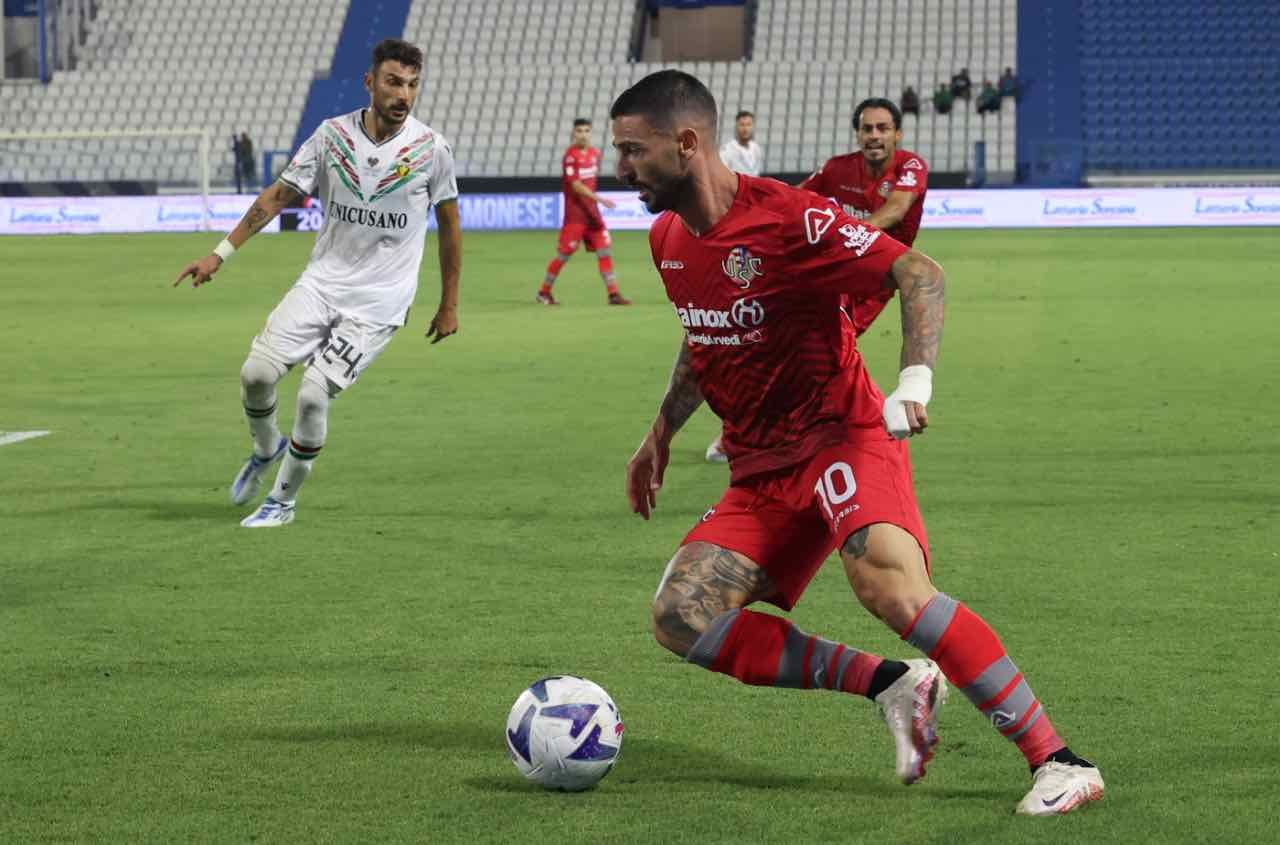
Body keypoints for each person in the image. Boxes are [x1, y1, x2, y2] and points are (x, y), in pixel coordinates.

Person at [612, 69, 1104, 816]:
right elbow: (701, 335)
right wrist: (659, 432)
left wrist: (914, 383)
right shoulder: (667, 239)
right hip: (761, 468)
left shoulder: (789, 219)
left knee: (889, 588)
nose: (620, 168)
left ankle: (1060, 761)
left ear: (685, 143)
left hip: (842, 438)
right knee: (682, 616)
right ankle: (892, 682)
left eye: (632, 150)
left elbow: (919, 271)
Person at [172, 38, 462, 528]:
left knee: (312, 394)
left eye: (413, 85)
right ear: (370, 82)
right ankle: (267, 447)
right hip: (322, 283)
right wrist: (219, 254)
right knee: (255, 375)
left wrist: (449, 303)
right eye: (393, 82)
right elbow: (279, 195)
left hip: (379, 301)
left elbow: (451, 227)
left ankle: (281, 502)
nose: (404, 95)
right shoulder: (332, 136)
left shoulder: (431, 149)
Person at [800, 97, 929, 337]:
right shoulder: (837, 168)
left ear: (897, 134)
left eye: (883, 128)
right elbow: (794, 198)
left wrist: (846, 236)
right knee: (811, 336)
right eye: (867, 129)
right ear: (858, 135)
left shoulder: (911, 165)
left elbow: (896, 209)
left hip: (879, 276)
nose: (874, 135)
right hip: (839, 269)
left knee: (834, 339)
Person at [703, 108, 764, 462]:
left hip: (751, 235)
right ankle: (732, 433)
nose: (745, 127)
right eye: (741, 122)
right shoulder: (726, 153)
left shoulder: (755, 150)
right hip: (731, 234)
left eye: (749, 122)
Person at [537, 118, 630, 306]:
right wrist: (600, 199)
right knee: (564, 255)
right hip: (576, 216)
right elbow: (576, 186)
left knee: (604, 251)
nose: (583, 134)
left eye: (586, 131)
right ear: (574, 133)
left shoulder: (595, 154)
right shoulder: (570, 157)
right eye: (579, 131)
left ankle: (613, 294)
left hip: (593, 216)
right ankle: (543, 292)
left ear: (591, 133)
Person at [718, 110, 763, 177]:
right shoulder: (727, 150)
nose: (745, 129)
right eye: (742, 125)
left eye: (748, 125)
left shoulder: (756, 148)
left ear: (753, 127)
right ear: (736, 127)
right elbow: (722, 174)